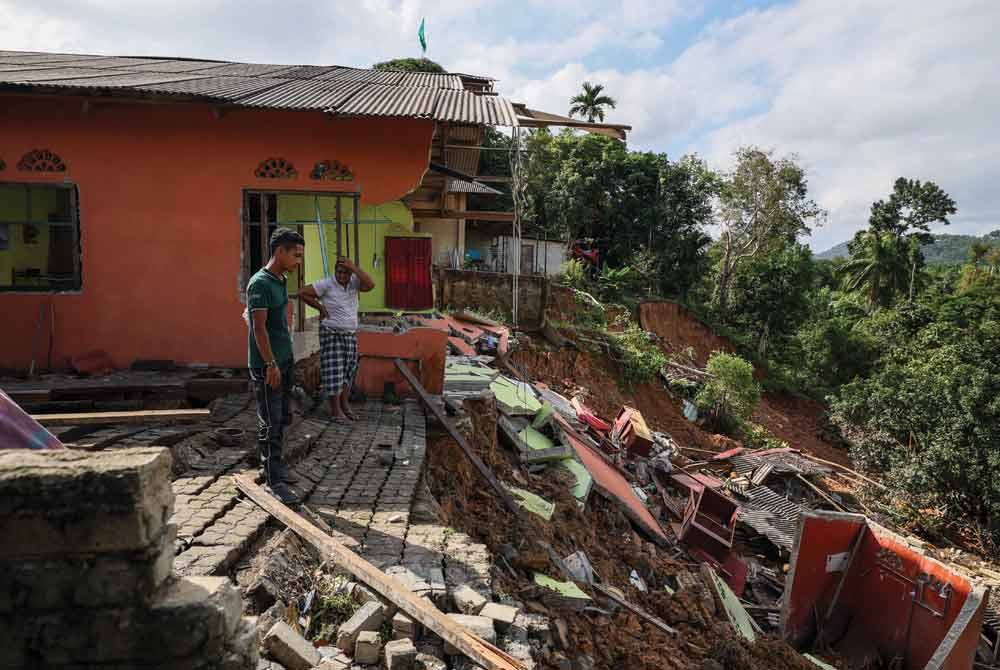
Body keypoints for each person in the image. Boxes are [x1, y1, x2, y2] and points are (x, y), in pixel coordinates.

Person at [246, 228, 304, 504]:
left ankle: (276, 465)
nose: (299, 261)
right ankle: (273, 480)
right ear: (279, 251)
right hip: (268, 364)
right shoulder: (259, 284)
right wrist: (270, 365)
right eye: (296, 255)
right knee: (270, 420)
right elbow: (259, 329)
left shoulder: (279, 280)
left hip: (284, 359)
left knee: (282, 417)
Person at [300, 257, 374, 422]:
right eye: (339, 272)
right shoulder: (326, 284)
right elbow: (302, 292)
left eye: (345, 272)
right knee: (335, 372)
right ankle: (335, 411)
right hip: (331, 333)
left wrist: (354, 268)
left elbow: (370, 285)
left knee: (349, 371)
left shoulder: (354, 282)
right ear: (334, 271)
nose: (341, 275)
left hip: (349, 334)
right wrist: (320, 308)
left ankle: (344, 405)